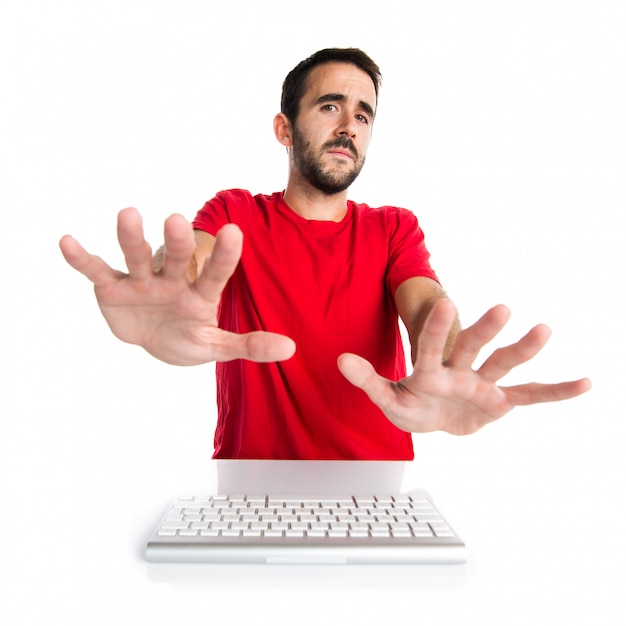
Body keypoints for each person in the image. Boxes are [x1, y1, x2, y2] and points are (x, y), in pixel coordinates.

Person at [59, 48, 590, 460]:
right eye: (330, 106)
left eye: (363, 115)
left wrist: (451, 357)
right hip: (249, 483)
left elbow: (425, 303)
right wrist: (162, 281)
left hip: (379, 486)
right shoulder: (235, 212)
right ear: (284, 128)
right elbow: (191, 260)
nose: (348, 127)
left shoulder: (392, 227)